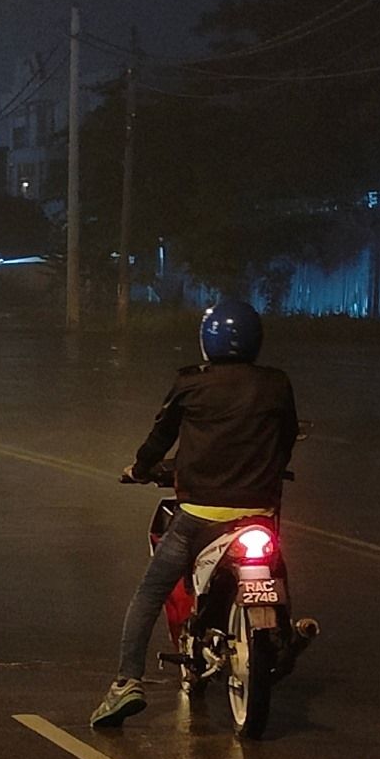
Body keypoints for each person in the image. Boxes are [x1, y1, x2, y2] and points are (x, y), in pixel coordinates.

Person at [90, 298, 299, 728]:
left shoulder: (190, 384)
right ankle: (284, 637)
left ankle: (126, 682)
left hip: (199, 517)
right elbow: (286, 437)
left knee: (149, 592)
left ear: (207, 342)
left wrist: (141, 468)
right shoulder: (277, 383)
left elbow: (159, 437)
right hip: (257, 514)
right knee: (276, 569)